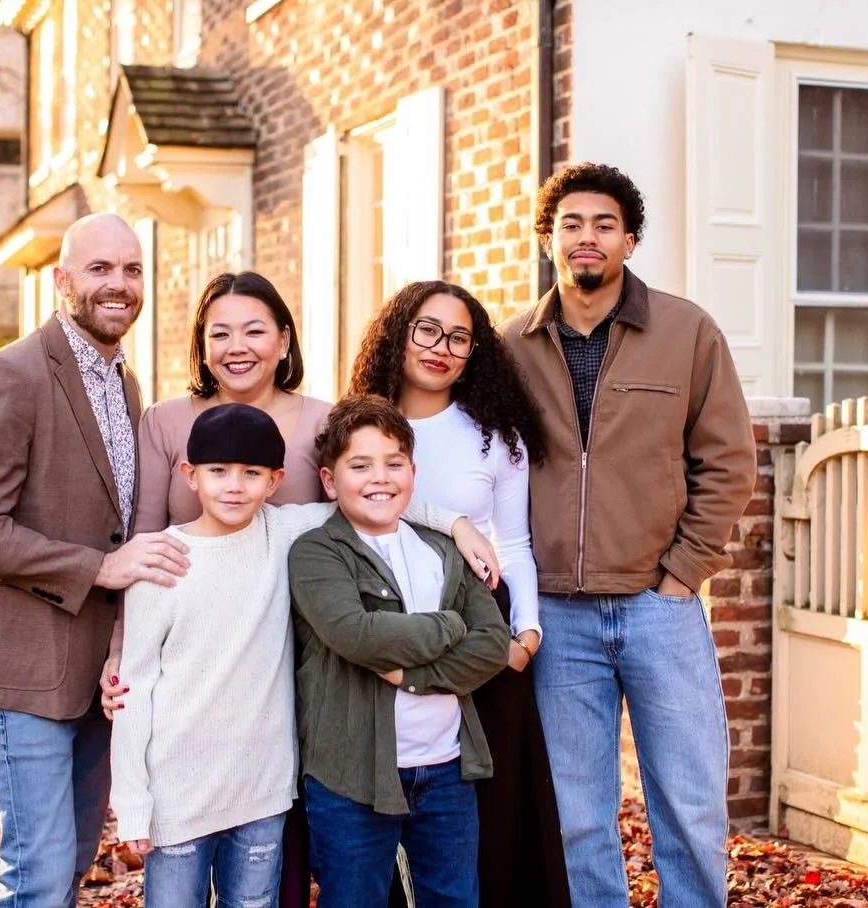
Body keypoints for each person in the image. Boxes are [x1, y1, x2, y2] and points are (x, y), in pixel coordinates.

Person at [499, 162, 756, 906]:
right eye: (571, 224)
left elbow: (730, 461)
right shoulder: (512, 344)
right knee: (578, 819)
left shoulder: (686, 332)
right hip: (557, 618)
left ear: (630, 240)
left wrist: (681, 573)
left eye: (604, 224)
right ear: (548, 238)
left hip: (657, 605)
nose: (587, 237)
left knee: (691, 808)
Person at [109, 402, 479, 907]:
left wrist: (454, 522)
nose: (235, 486)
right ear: (189, 475)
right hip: (179, 791)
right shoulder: (162, 563)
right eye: (217, 472)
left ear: (275, 480)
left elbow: (371, 496)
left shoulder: (282, 532)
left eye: (251, 473)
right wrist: (133, 802)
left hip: (262, 789)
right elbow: (136, 687)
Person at [0, 213, 185, 906]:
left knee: (72, 864)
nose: (119, 284)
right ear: (62, 281)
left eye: (132, 269)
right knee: (38, 876)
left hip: (99, 678)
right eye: (100, 269)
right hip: (26, 670)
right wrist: (97, 569)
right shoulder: (10, 375)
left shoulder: (126, 384)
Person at [99, 270, 331, 908]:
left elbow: (374, 495)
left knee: (270, 876)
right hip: (188, 668)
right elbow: (142, 544)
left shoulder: (322, 422)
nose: (238, 345)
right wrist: (120, 652)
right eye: (219, 331)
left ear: (284, 339)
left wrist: (452, 521)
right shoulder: (167, 422)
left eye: (255, 329)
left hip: (286, 671)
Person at [349, 281, 569, 907]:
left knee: (493, 814)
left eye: (460, 337)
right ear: (399, 333)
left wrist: (526, 635)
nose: (441, 348)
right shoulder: (362, 424)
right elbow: (356, 500)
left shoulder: (493, 435)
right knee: (387, 818)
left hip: (484, 645)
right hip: (383, 640)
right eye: (427, 329)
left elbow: (517, 543)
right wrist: (453, 519)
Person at [289, 394, 512, 908]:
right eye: (360, 465)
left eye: (393, 463)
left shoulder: (440, 549)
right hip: (352, 775)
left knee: (453, 898)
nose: (379, 478)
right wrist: (451, 624)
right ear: (329, 480)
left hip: (447, 768)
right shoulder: (318, 552)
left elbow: (494, 643)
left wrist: (413, 677)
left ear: (413, 472)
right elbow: (356, 634)